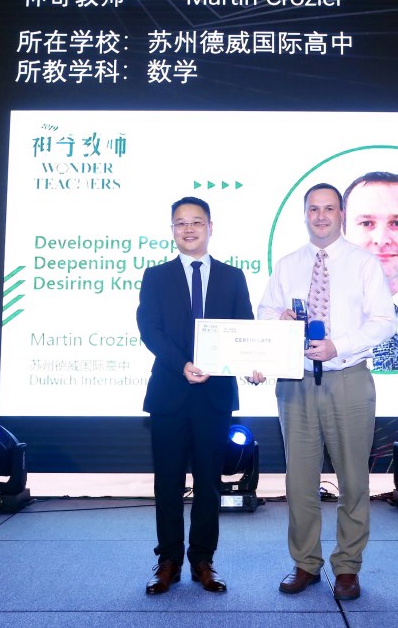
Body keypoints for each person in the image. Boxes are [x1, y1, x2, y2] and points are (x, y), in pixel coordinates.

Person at [257, 183, 396, 600]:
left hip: (347, 378)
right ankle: (306, 564)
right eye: (313, 209)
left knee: (353, 480)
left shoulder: (363, 263)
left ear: (341, 215)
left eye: (329, 209)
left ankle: (348, 567)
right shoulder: (287, 265)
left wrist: (340, 345)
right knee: (300, 482)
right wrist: (278, 320)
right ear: (305, 215)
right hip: (295, 382)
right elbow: (264, 313)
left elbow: (384, 321)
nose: (321, 216)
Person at [137, 196, 255, 595]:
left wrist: (253, 363)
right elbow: (149, 329)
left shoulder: (232, 277)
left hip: (214, 396)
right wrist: (182, 364)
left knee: (209, 482)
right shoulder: (156, 276)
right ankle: (167, 561)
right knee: (167, 481)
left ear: (210, 227)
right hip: (169, 392)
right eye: (180, 223)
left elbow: (245, 329)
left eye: (196, 222)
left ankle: (203, 560)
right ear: (172, 230)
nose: (188, 229)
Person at [342, 172, 398, 371]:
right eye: (366, 223)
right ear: (342, 235)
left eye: (397, 223)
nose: (381, 239)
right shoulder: (310, 321)